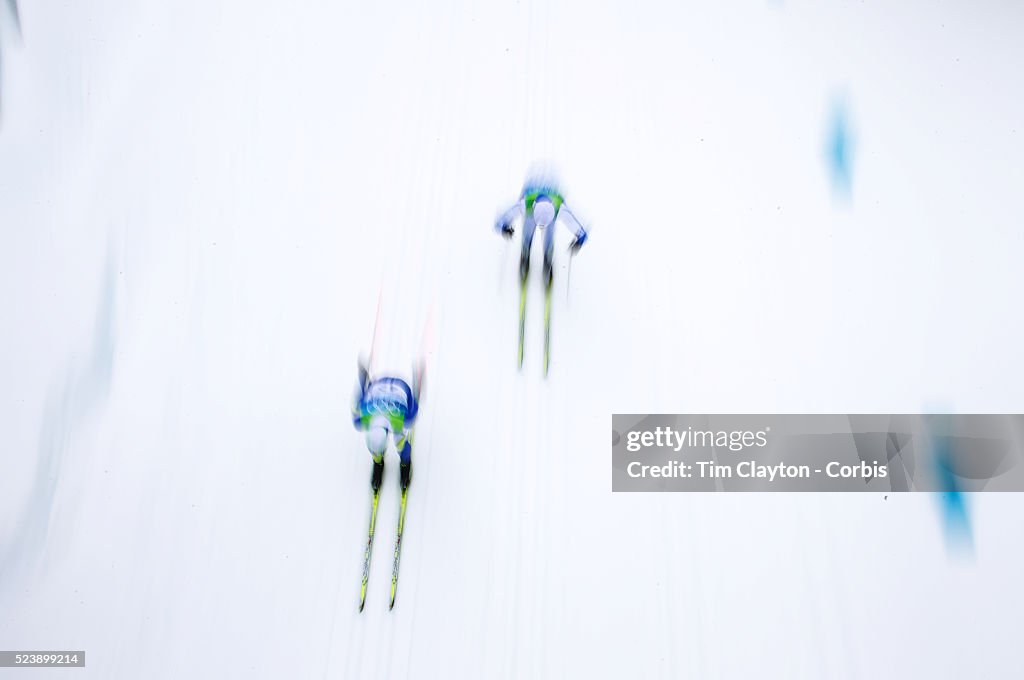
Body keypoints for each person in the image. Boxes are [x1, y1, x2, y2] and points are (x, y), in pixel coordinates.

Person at [495, 175, 588, 372]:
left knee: (548, 239)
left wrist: (580, 238)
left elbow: (577, 224)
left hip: (547, 206)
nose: (541, 227)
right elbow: (504, 216)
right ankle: (525, 257)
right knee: (528, 234)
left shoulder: (558, 207)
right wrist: (504, 227)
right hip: (532, 205)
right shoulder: (526, 204)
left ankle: (547, 262)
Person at [352, 361, 421, 492]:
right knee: (398, 441)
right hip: (382, 388)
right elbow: (359, 396)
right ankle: (391, 461)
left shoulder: (400, 419)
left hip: (396, 391)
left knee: (399, 440)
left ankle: (401, 463)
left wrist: (363, 378)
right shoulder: (362, 418)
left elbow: (414, 403)